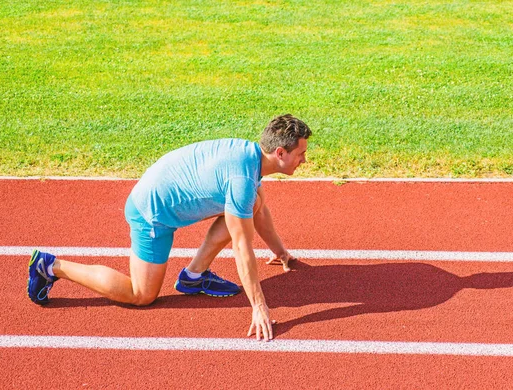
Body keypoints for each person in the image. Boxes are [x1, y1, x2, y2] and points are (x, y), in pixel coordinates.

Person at [27, 114, 311, 341]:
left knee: (254, 202)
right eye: (301, 154)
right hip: (150, 214)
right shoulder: (241, 179)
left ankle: (193, 277)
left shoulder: (249, 156)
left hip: (160, 191)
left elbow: (256, 211)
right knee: (141, 294)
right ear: (280, 152)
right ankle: (52, 267)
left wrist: (282, 253)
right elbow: (241, 246)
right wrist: (259, 307)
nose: (304, 160)